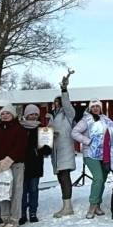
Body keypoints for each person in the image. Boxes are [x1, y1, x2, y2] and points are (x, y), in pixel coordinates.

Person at [0, 106, 28, 227]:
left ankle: (14, 219)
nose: (4, 115)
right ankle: (4, 218)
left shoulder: (19, 129)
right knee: (2, 191)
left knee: (15, 191)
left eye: (7, 113)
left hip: (15, 164)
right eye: (2, 113)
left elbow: (20, 146)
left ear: (13, 115)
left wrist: (9, 160)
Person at [72, 100, 110, 219]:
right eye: (93, 106)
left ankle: (98, 205)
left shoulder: (105, 119)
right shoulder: (85, 120)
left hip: (104, 154)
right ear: (90, 108)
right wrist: (88, 141)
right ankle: (92, 205)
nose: (95, 108)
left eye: (97, 106)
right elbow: (74, 132)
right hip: (90, 154)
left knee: (102, 179)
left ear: (100, 108)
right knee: (98, 178)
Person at [49, 72, 78, 218]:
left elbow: (67, 104)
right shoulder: (52, 116)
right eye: (55, 102)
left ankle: (68, 206)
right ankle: (65, 204)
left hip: (65, 148)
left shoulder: (68, 114)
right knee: (61, 177)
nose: (56, 104)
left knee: (65, 176)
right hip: (55, 151)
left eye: (58, 101)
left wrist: (64, 90)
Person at [20, 105, 44, 224]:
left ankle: (33, 212)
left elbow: (46, 150)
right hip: (22, 163)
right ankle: (22, 213)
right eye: (31, 114)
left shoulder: (42, 129)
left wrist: (47, 142)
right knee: (22, 190)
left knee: (34, 189)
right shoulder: (20, 128)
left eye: (35, 114)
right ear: (26, 115)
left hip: (35, 163)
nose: (33, 116)